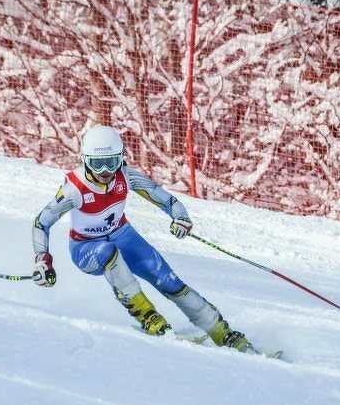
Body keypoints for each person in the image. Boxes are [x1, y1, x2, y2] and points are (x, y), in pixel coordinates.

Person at [31, 125, 255, 353]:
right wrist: (43, 260)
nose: (106, 171)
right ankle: (148, 317)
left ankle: (222, 332)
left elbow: (168, 201)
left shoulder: (125, 177)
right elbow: (42, 222)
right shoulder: (75, 189)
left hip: (123, 236)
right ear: (85, 160)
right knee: (108, 253)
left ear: (121, 158)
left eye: (112, 162)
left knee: (168, 280)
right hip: (86, 247)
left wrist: (180, 218)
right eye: (97, 164)